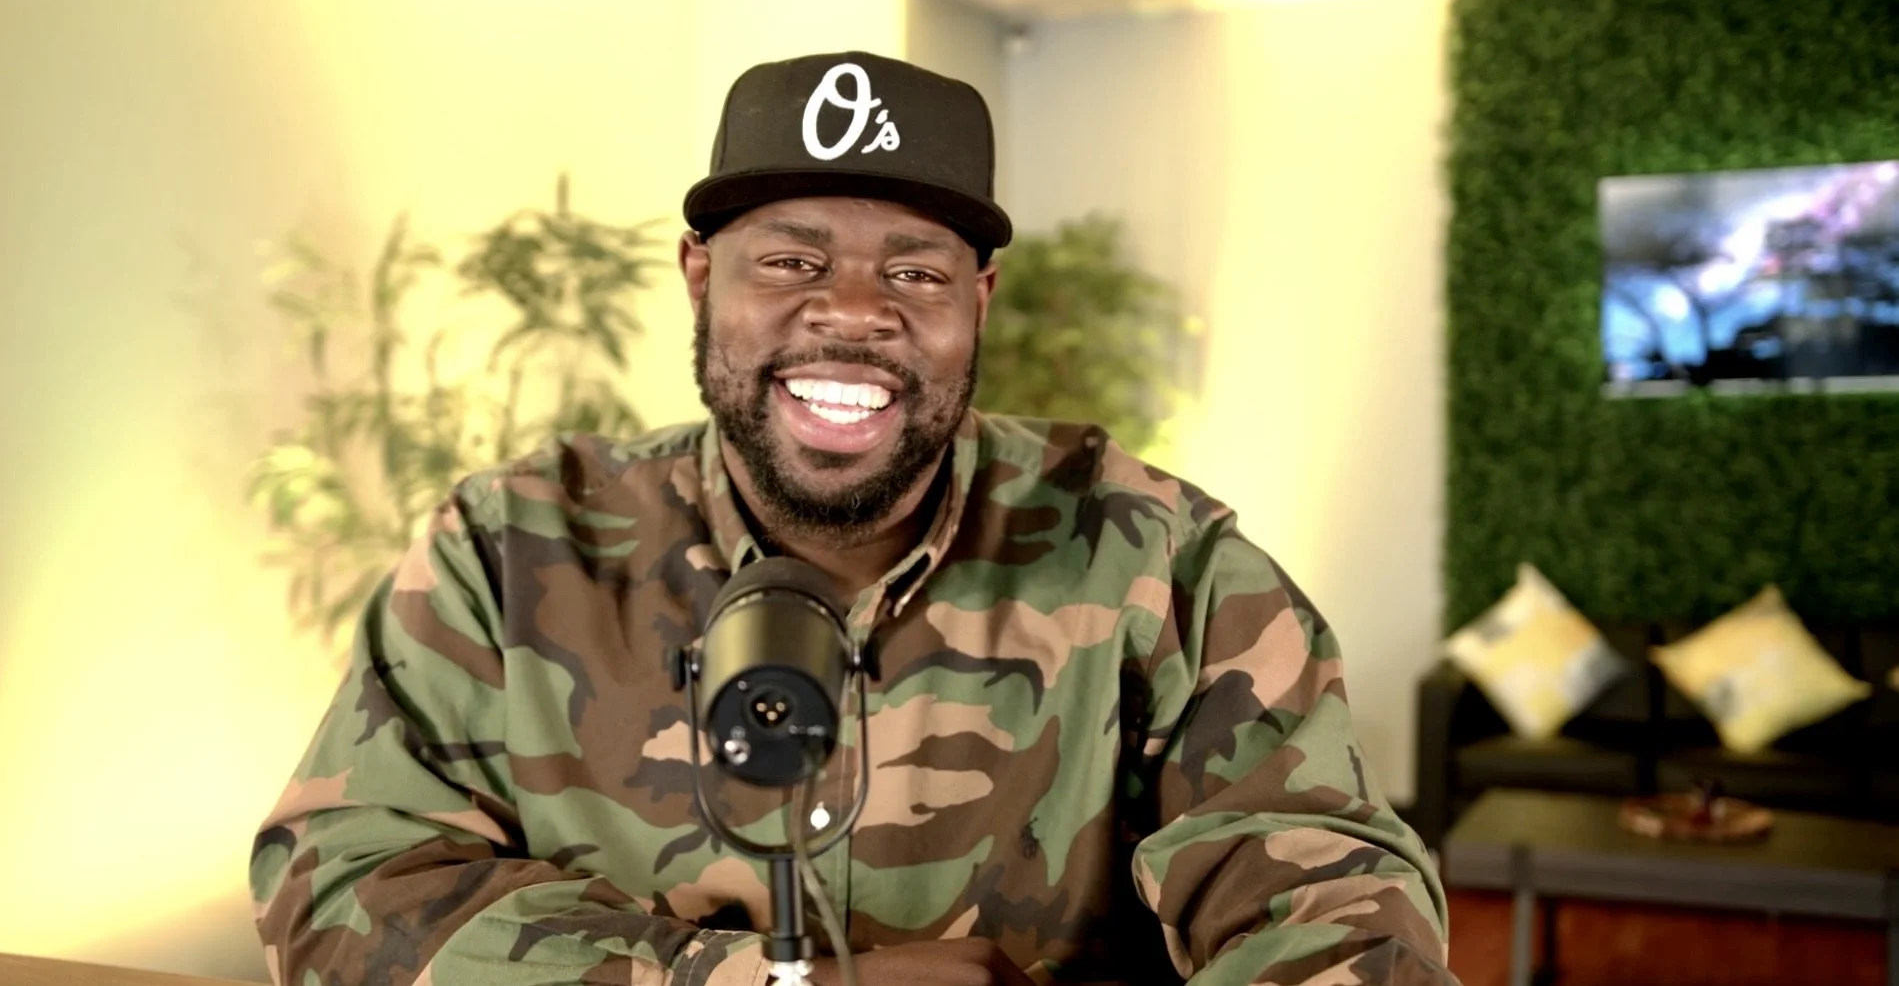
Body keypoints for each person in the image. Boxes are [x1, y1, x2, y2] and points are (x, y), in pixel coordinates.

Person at [250, 50, 1457, 986]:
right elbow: (341, 886)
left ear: (978, 302)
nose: (854, 310)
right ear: (698, 274)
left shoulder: (1164, 565)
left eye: (917, 271)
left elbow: (1334, 896)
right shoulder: (507, 552)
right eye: (790, 259)